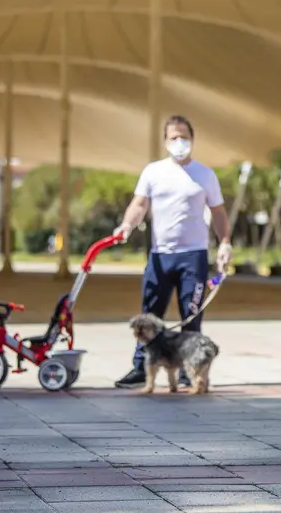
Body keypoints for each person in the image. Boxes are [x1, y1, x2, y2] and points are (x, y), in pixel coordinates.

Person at [113, 115, 232, 390]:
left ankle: (186, 369)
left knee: (191, 313)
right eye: (173, 138)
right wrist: (126, 225)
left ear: (192, 140)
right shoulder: (153, 172)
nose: (179, 142)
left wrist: (224, 242)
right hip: (160, 256)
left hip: (193, 255)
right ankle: (142, 366)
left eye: (184, 137)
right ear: (165, 142)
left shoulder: (205, 175)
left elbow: (218, 212)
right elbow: (139, 203)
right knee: (150, 313)